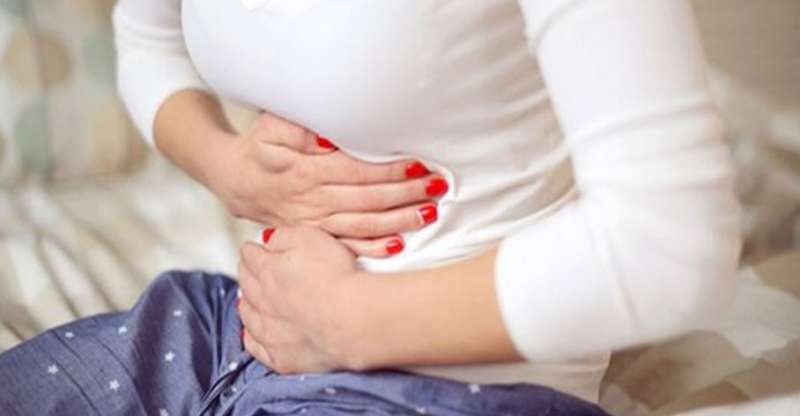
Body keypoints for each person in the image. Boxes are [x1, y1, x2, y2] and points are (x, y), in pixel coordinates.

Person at [0, 0, 740, 414]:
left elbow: (670, 248)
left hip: (465, 391)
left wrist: (343, 320)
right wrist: (228, 167)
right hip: (241, 333)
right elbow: (145, 35)